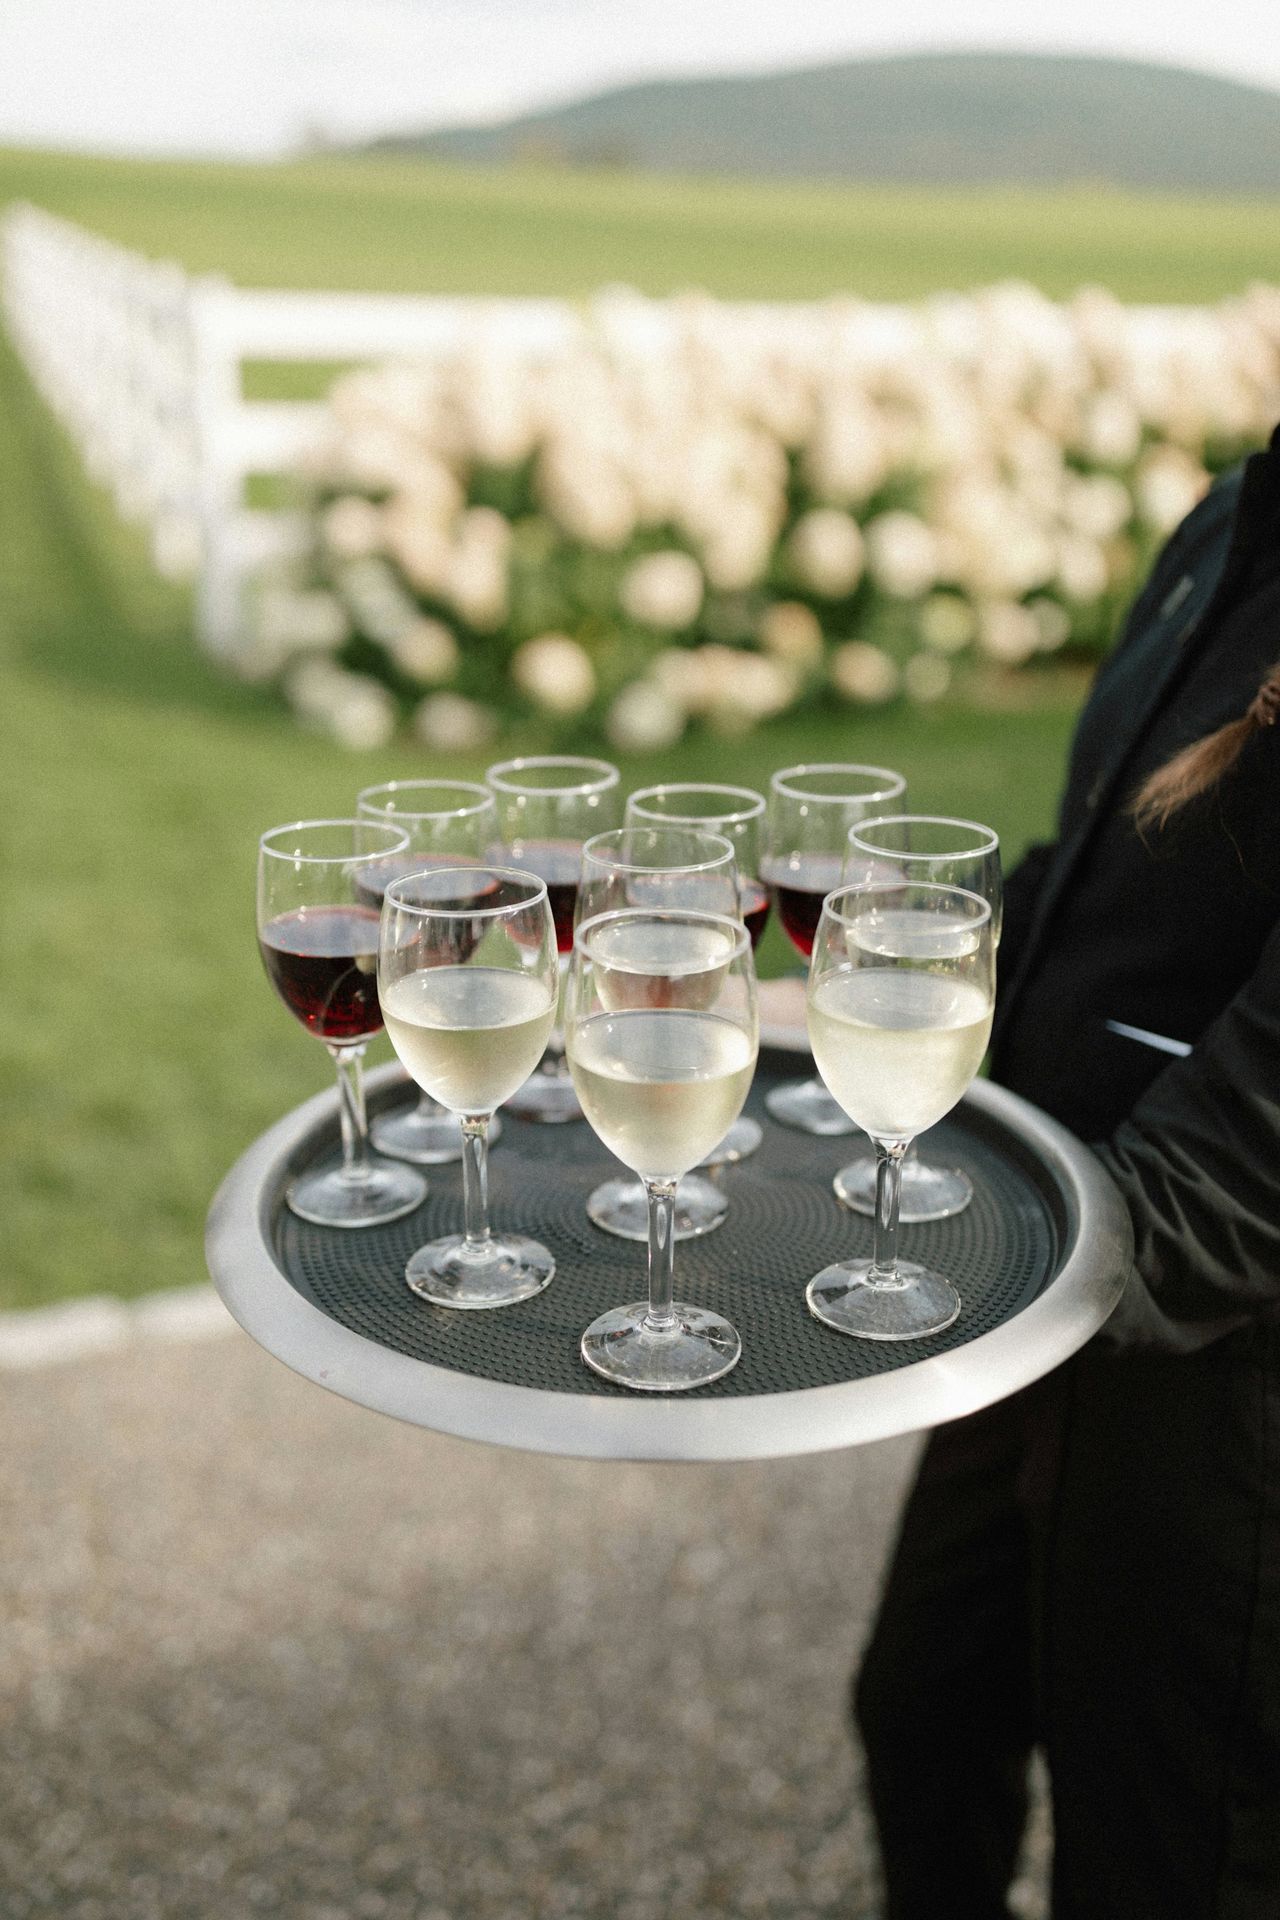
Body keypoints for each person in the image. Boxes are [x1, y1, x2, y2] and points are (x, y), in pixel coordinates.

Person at [853, 424, 1280, 1920]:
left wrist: (984, 1263)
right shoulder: (1233, 514)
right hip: (1036, 1266)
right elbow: (1099, 884)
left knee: (1164, 1851)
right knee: (922, 1712)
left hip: (1214, 1362)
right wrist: (862, 953)